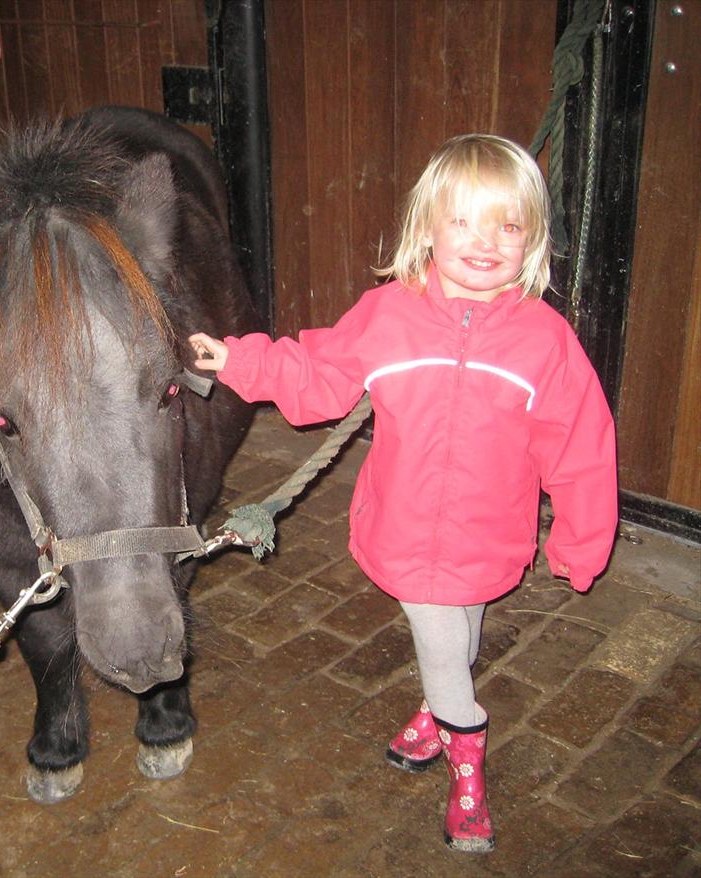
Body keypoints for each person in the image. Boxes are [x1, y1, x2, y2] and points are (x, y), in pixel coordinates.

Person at [189, 134, 617, 853]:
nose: (484, 244)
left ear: (533, 239)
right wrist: (241, 360)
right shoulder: (390, 314)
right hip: (409, 526)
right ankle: (466, 752)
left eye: (507, 226)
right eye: (463, 222)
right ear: (427, 228)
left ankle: (433, 710)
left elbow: (581, 445)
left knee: (462, 634)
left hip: (491, 531)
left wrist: (580, 538)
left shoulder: (545, 341)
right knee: (447, 648)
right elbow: (316, 372)